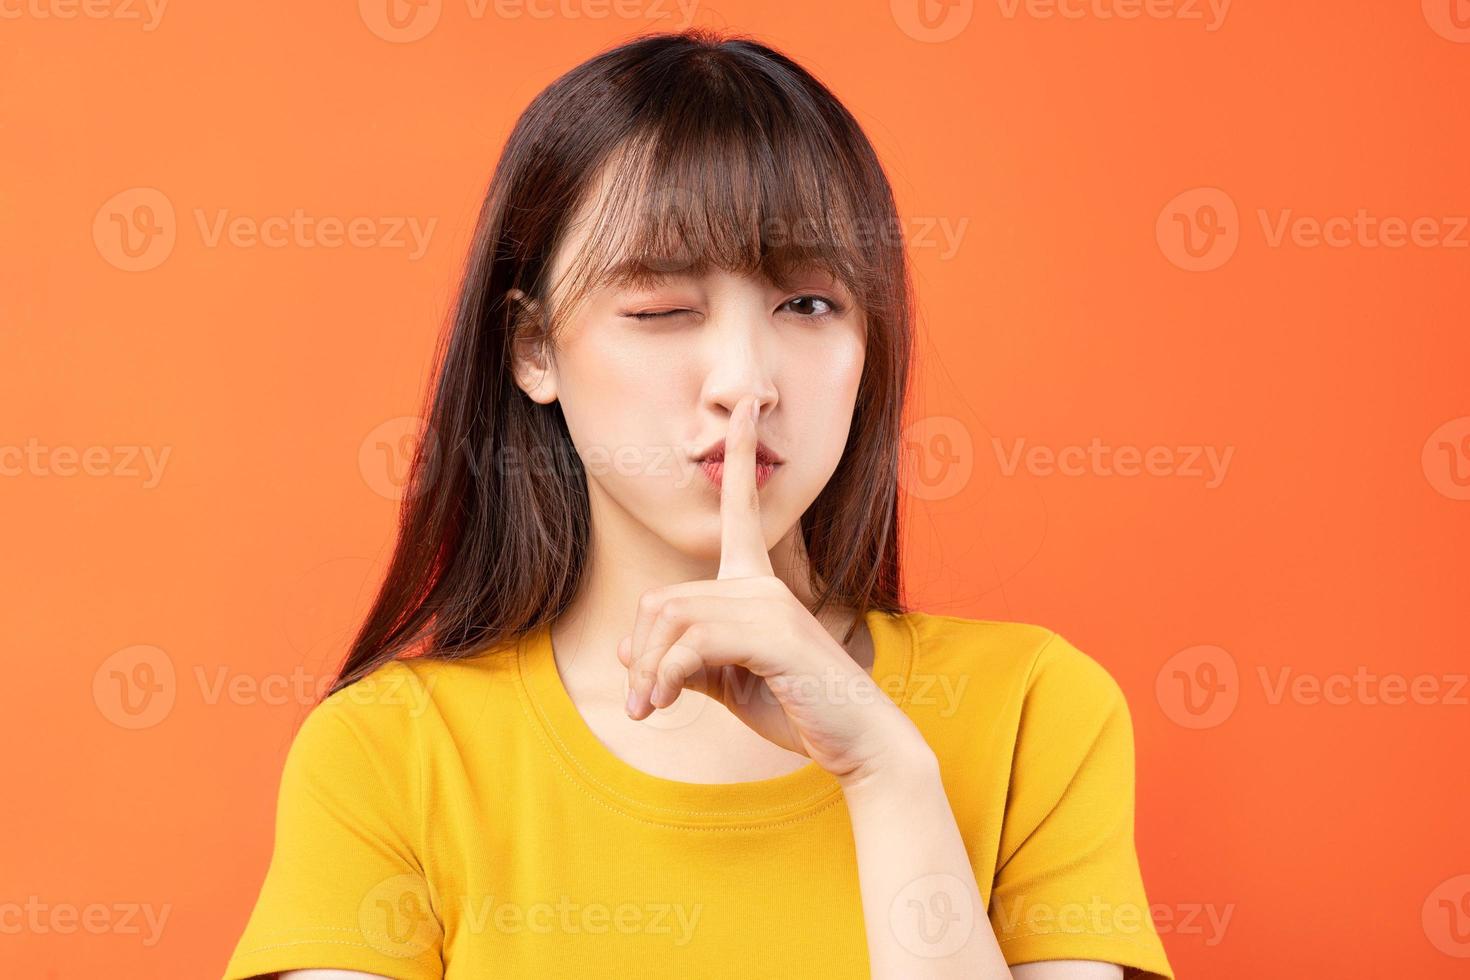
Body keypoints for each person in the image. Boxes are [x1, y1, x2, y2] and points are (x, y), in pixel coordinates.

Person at [222, 27, 1173, 980]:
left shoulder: (1034, 712)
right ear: (533, 350)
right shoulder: (391, 756)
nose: (745, 381)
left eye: (807, 305)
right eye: (661, 310)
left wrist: (888, 774)